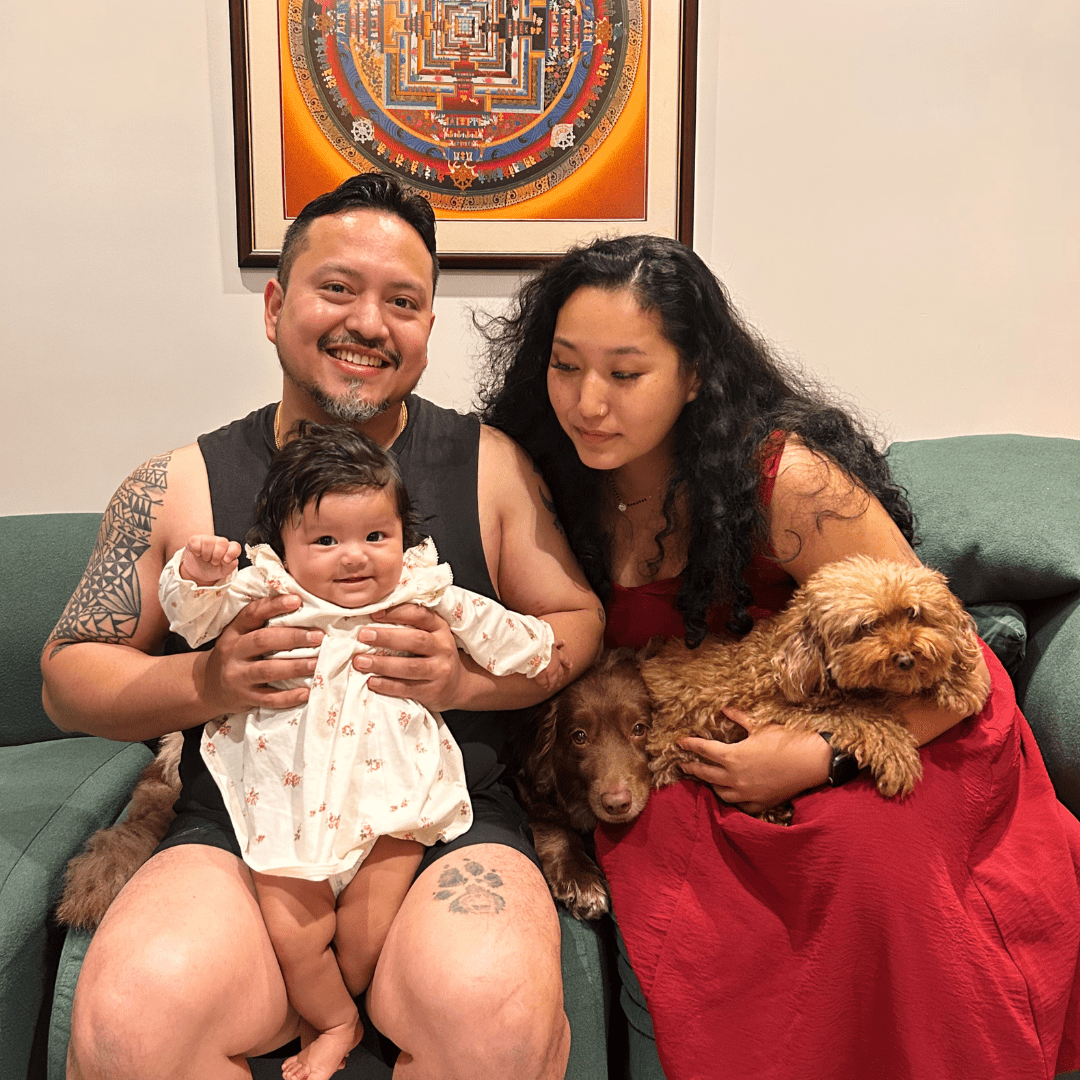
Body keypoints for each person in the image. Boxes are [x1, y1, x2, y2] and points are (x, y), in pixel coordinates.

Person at [477, 233, 1080, 1079]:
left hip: (891, 730)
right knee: (661, 858)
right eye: (565, 365)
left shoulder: (784, 483)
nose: (587, 402)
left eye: (624, 373)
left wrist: (814, 757)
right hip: (696, 749)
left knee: (866, 859)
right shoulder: (544, 480)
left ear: (693, 377)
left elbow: (959, 667)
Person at [42, 172, 603, 1080]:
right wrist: (208, 683)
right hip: (244, 834)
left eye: (404, 301)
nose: (369, 323)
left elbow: (578, 622)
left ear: (426, 327)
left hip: (439, 829)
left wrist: (466, 682)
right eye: (337, 288)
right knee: (129, 1026)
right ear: (274, 306)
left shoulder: (488, 464)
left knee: (494, 1020)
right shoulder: (178, 481)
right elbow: (68, 675)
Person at [160, 421, 567, 1080]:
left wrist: (531, 648)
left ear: (404, 537)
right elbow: (193, 620)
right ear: (283, 548)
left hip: (394, 801)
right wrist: (200, 576)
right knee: (294, 936)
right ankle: (332, 1020)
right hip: (286, 802)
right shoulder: (267, 591)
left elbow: (502, 631)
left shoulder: (421, 589)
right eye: (325, 540)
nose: (355, 557)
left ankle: (360, 1009)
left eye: (376, 536)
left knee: (360, 940)